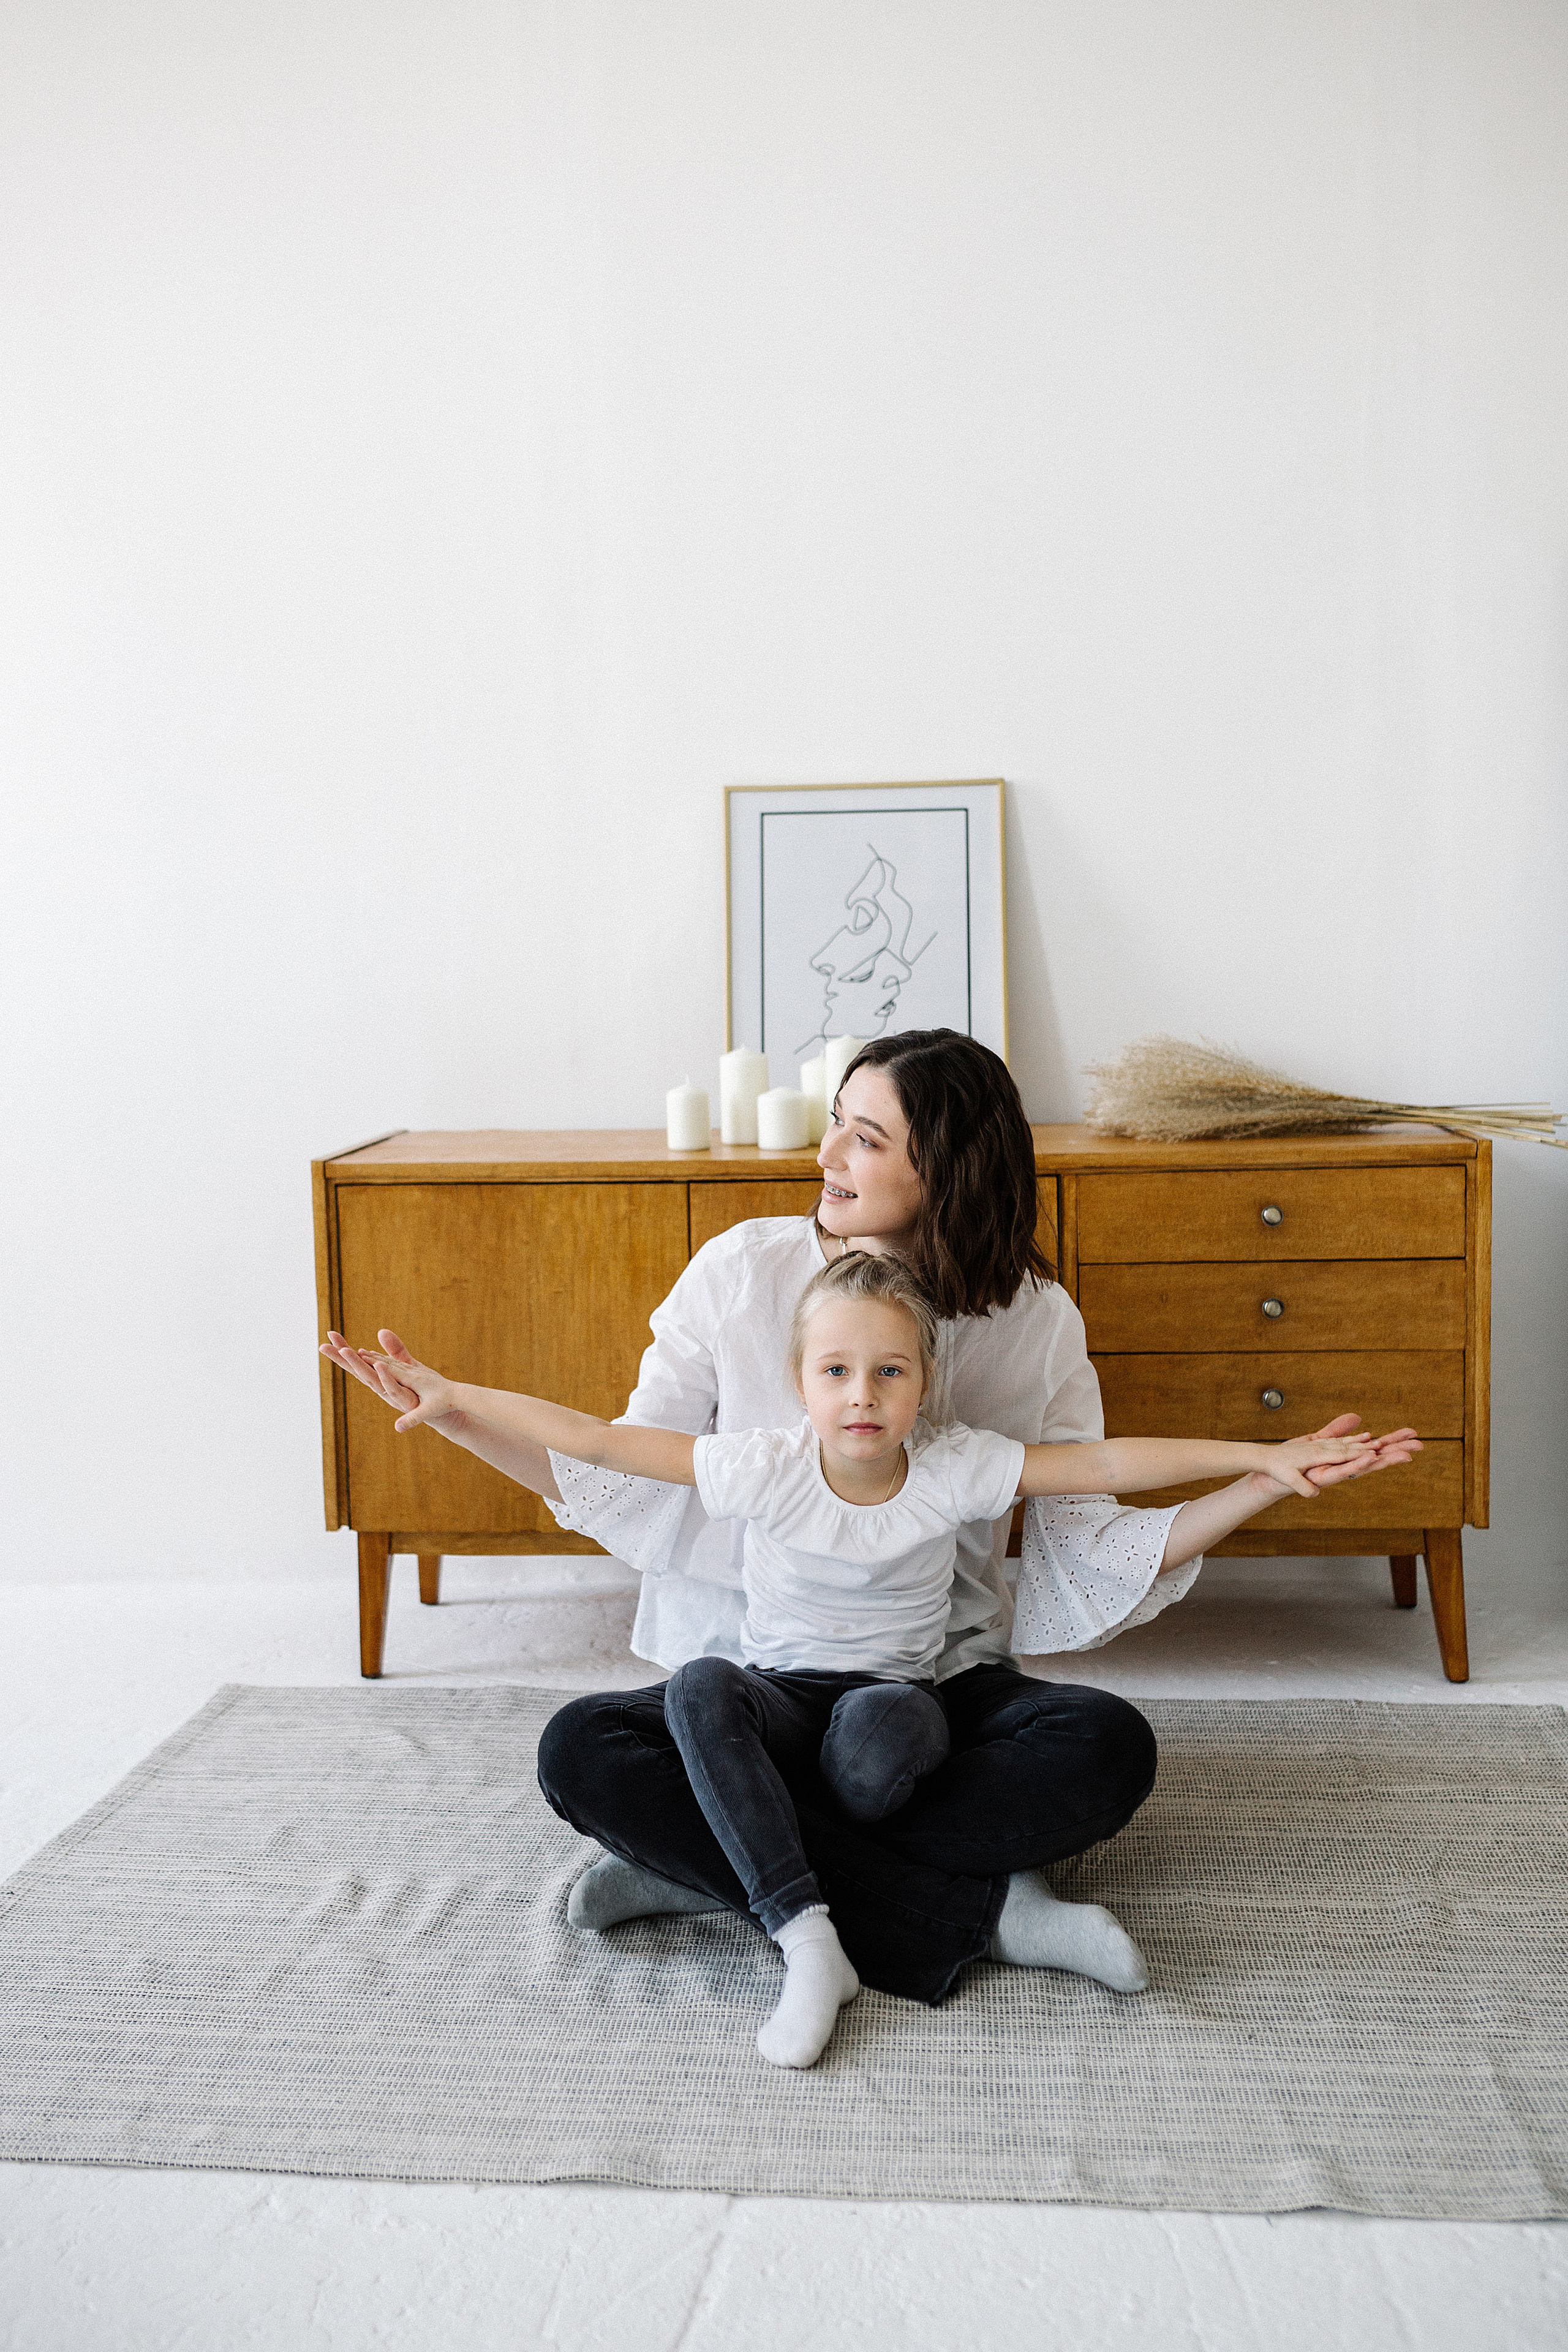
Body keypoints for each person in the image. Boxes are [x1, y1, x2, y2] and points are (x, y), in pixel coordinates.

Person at [322, 1028, 1412, 2012]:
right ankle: (989, 1912)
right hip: (756, 1678)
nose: (826, 1156)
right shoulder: (745, 1271)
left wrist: (1265, 1477)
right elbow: (619, 1458)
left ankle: (718, 1864)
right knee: (581, 1752)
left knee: (1104, 1749)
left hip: (931, 1688)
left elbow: (1095, 1527)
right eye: (834, 1126)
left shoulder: (1034, 1322)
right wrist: (454, 1411)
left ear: (942, 1168)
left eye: (864, 1137)